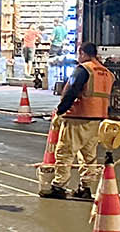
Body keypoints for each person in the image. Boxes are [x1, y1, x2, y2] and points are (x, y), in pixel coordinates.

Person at [43, 41, 113, 201]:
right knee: (89, 156)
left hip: (78, 117)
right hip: (98, 119)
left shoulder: (83, 69)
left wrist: (60, 112)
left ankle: (58, 186)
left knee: (65, 152)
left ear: (82, 53)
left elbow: (72, 91)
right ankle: (85, 188)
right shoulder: (107, 73)